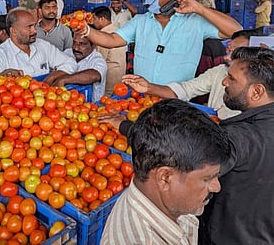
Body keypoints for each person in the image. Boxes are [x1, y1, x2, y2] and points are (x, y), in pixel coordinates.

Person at [100, 99, 230, 245]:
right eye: (207, 179)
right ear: (165, 178)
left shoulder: (168, 203)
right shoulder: (143, 239)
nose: (217, 187)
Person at [77, 0, 242, 84]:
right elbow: (112, 40)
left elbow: (235, 31)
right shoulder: (141, 21)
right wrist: (87, 30)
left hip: (176, 98)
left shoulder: (195, 22)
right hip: (141, 96)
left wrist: (200, 9)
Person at [198, 47, 274, 244]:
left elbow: (191, 163)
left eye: (231, 78)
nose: (224, 82)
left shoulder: (241, 137)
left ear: (257, 91)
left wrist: (128, 128)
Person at [123, 29, 259, 120]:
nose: (227, 57)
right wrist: (149, 87)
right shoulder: (219, 71)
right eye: (229, 50)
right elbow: (186, 89)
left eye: (236, 53)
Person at [0, 8, 77, 83]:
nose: (35, 31)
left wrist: (51, 78)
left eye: (34, 26)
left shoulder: (43, 45)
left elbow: (70, 63)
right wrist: (3, 75)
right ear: (13, 31)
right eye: (29, 27)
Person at [57, 33, 107, 103]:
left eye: (82, 44)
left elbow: (95, 75)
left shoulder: (98, 60)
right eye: (74, 42)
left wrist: (64, 80)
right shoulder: (67, 53)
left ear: (93, 45)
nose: (76, 48)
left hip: (91, 108)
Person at [91, 6, 126, 96]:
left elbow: (99, 59)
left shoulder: (103, 36)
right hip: (119, 76)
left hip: (109, 80)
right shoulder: (117, 31)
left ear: (102, 19)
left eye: (94, 19)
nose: (92, 22)